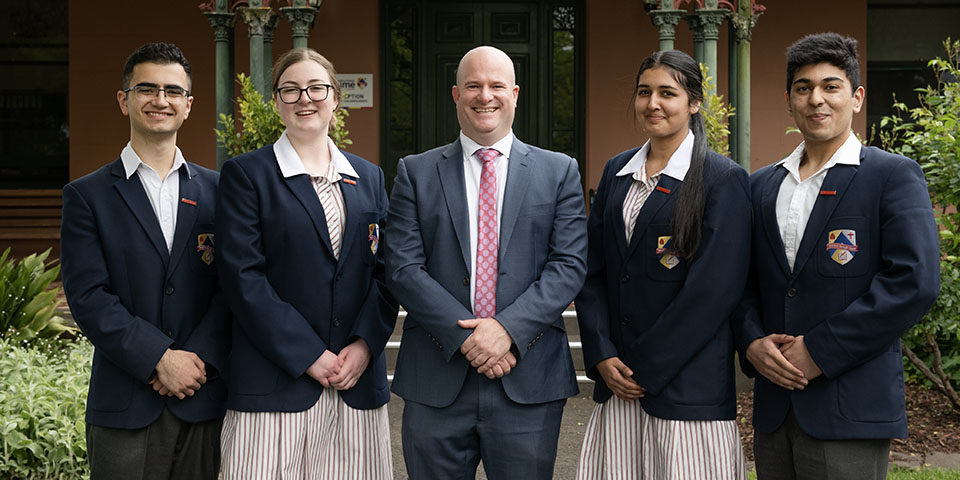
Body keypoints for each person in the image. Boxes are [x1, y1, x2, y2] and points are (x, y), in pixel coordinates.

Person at [736, 32, 940, 479]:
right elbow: (741, 282)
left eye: (831, 86)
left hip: (850, 404)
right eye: (803, 88)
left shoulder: (891, 176)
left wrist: (821, 350)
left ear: (857, 97)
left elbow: (914, 282)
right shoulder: (759, 187)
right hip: (775, 408)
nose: (817, 100)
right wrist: (751, 342)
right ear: (789, 100)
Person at [385, 45, 587, 479]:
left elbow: (568, 264)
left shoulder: (559, 171)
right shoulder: (415, 172)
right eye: (473, 86)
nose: (485, 96)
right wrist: (471, 341)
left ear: (515, 93)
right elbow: (402, 267)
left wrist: (506, 331)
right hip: (436, 378)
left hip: (528, 378)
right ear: (456, 95)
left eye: (497, 85)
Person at [215, 48, 397, 479]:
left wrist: (365, 345)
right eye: (291, 90)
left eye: (316, 88)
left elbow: (387, 274)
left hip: (355, 385)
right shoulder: (247, 175)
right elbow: (243, 278)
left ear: (336, 99)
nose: (305, 98)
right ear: (276, 102)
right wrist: (310, 354)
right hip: (276, 385)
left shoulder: (368, 177)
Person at [575, 49, 750, 479]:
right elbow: (593, 272)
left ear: (693, 102)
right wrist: (601, 354)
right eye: (644, 92)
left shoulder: (722, 178)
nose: (653, 103)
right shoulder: (618, 170)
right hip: (617, 385)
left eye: (667, 93)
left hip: (686, 388)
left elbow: (713, 291)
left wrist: (645, 368)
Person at [60, 42, 230, 479]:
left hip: (204, 396)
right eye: (147, 89)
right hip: (125, 402)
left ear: (188, 105)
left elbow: (235, 286)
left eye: (173, 91)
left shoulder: (221, 191)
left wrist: (195, 360)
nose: (160, 100)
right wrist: (159, 357)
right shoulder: (87, 196)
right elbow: (88, 297)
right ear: (124, 100)